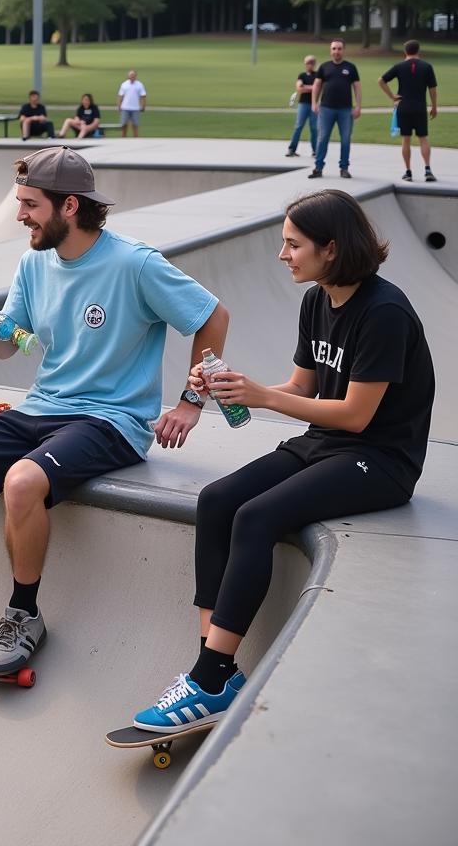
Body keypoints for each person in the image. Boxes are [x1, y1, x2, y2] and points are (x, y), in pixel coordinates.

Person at [0, 146, 231, 678]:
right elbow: (11, 346)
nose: (20, 216)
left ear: (70, 205)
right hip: (43, 406)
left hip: (113, 420)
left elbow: (212, 315)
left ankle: (24, 616)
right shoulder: (34, 261)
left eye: (30, 204)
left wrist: (193, 400)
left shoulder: (134, 263)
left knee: (22, 482)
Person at [129, 189, 433, 735]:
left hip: (381, 459)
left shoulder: (384, 311)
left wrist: (263, 397)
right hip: (326, 443)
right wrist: (233, 388)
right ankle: (216, 670)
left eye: (293, 244)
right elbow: (300, 387)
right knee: (218, 500)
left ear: (331, 249)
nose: (282, 254)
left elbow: (358, 416)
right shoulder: (317, 299)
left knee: (257, 516)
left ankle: (208, 675)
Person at [378, 40, 438, 183]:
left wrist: (392, 96)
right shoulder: (427, 67)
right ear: (419, 51)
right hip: (419, 107)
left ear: (405, 52)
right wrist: (434, 106)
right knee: (423, 138)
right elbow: (432, 89)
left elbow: (381, 80)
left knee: (406, 139)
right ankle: (428, 170)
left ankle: (408, 172)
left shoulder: (399, 66)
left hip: (403, 107)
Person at [311, 39, 361, 179]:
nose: (336, 51)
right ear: (330, 50)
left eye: (339, 49)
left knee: (345, 139)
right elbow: (316, 86)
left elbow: (357, 87)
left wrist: (358, 106)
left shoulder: (351, 67)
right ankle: (318, 168)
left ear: (343, 50)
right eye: (334, 48)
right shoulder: (324, 67)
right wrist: (314, 103)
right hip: (326, 109)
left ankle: (344, 168)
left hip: (345, 110)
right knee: (322, 138)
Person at [285, 56, 317, 158]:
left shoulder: (317, 75)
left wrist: (306, 87)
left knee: (314, 128)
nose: (310, 65)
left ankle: (315, 150)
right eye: (308, 63)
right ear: (305, 64)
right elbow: (299, 88)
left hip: (313, 104)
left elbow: (319, 87)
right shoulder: (302, 75)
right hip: (303, 104)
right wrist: (311, 88)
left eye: (312, 62)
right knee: (298, 126)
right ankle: (292, 149)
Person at [117, 70, 147, 137]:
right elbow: (121, 96)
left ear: (136, 76)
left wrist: (143, 106)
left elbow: (143, 96)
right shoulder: (124, 84)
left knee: (135, 125)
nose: (132, 77)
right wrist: (119, 106)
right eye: (130, 75)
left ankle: (136, 140)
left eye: (133, 75)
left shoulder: (139, 85)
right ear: (128, 76)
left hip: (135, 108)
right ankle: (123, 140)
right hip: (125, 108)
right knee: (124, 125)